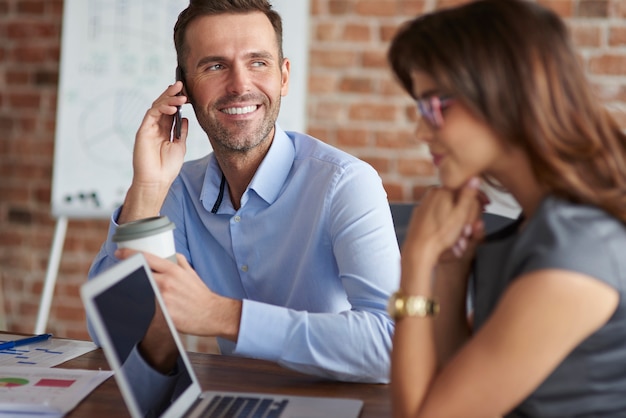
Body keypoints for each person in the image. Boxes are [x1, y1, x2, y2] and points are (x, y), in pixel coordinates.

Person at [87, 0, 400, 386]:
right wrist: (148, 189)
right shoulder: (180, 190)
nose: (239, 85)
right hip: (237, 399)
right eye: (215, 66)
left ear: (283, 77)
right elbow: (111, 333)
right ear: (183, 87)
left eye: (258, 62)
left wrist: (224, 315)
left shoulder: (346, 183)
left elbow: (392, 345)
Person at [385, 0, 626, 416]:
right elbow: (463, 378)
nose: (421, 128)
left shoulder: (578, 251)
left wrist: (417, 259)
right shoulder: (537, 222)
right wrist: (450, 271)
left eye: (434, 105)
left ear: (503, 93)